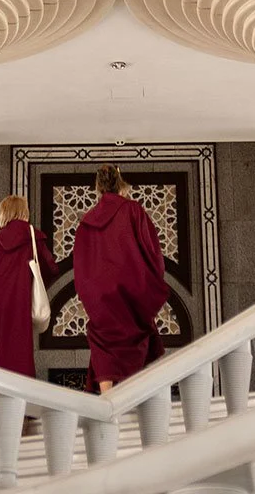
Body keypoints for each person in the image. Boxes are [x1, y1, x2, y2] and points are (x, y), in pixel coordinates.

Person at [72, 165, 168, 391]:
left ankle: (108, 406)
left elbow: (80, 263)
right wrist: (151, 284)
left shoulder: (86, 221)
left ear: (98, 188)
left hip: (100, 298)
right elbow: (152, 251)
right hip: (129, 291)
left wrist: (90, 295)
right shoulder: (133, 211)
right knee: (140, 343)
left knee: (104, 347)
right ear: (120, 184)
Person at [0, 194, 58, 379]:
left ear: (4, 214)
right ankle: (19, 402)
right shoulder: (32, 238)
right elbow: (52, 268)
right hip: (18, 300)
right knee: (18, 354)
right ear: (24, 212)